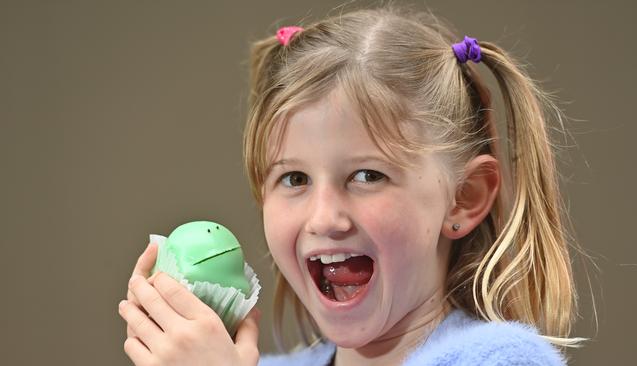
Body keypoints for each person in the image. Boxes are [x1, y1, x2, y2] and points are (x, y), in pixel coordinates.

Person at [118, 4, 586, 365]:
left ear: (465, 198)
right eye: (294, 178)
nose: (324, 218)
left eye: (367, 176)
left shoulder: (501, 358)